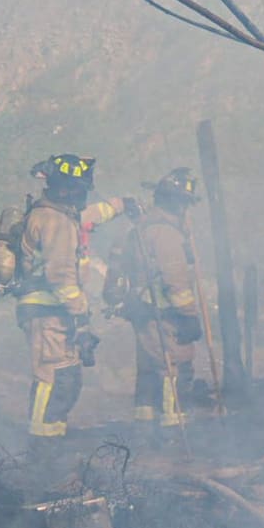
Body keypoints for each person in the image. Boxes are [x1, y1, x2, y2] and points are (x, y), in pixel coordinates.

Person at [17, 154, 134, 450]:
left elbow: (91, 215)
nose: (83, 195)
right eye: (79, 189)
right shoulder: (55, 220)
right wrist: (81, 315)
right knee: (53, 378)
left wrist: (121, 205)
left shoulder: (60, 214)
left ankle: (52, 440)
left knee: (66, 379)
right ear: (66, 189)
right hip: (49, 313)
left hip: (56, 313)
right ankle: (41, 448)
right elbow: (61, 277)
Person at [105, 168, 203, 435]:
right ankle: (174, 430)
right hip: (166, 313)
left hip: (144, 310)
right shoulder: (165, 233)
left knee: (149, 368)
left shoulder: (143, 228)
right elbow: (176, 280)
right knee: (174, 367)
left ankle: (145, 429)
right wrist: (190, 315)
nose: (186, 210)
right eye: (184, 203)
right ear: (176, 202)